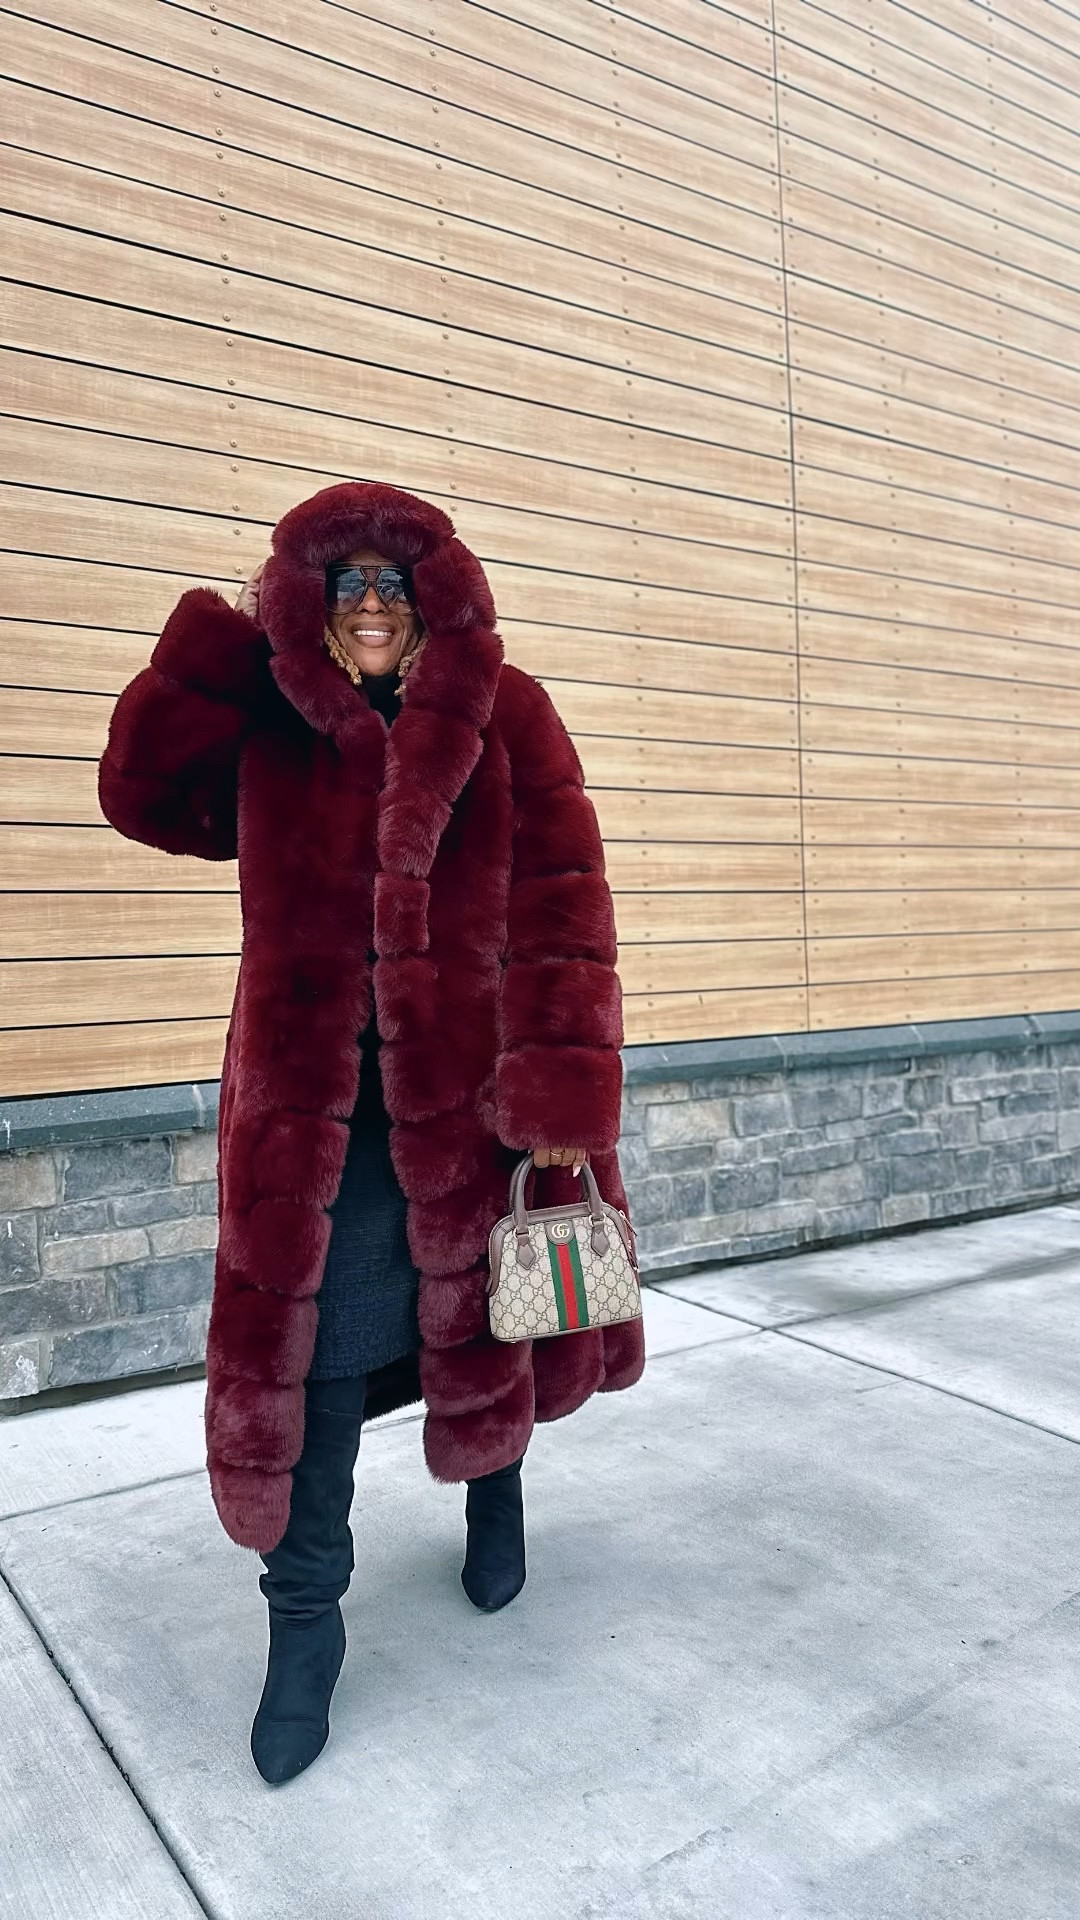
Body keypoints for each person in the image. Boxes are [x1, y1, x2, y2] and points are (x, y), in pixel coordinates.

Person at [98, 481, 643, 1784]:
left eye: (394, 587)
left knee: (486, 1324)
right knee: (318, 1366)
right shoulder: (276, 725)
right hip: (315, 1126)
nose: (373, 610)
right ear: (309, 606)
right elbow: (143, 795)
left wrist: (562, 1099)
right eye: (342, 588)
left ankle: (496, 1490)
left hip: (472, 1109)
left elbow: (570, 903)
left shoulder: (507, 716)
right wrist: (216, 650)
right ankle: (303, 1630)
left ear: (434, 599)